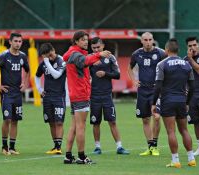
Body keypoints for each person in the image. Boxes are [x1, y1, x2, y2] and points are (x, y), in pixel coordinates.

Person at [63, 30, 111, 164]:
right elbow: (83, 60)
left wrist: (92, 59)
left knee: (74, 125)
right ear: (76, 41)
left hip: (75, 94)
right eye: (83, 39)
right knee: (81, 126)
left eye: (86, 39)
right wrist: (98, 54)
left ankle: (68, 156)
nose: (86, 42)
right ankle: (82, 157)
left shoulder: (73, 53)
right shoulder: (75, 53)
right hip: (80, 94)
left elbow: (83, 62)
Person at [152, 38, 196, 168]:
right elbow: (192, 87)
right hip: (182, 101)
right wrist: (187, 102)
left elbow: (158, 86)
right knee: (184, 130)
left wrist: (154, 103)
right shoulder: (187, 64)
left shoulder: (162, 64)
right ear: (178, 50)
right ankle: (191, 158)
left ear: (166, 50)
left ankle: (175, 160)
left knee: (171, 131)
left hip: (168, 101)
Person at [89, 37, 129, 155]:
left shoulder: (110, 57)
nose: (96, 49)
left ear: (103, 46)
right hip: (94, 95)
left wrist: (105, 73)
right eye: (94, 48)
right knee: (95, 122)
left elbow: (117, 74)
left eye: (98, 47)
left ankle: (119, 147)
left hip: (107, 95)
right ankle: (97, 147)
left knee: (112, 121)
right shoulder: (89, 59)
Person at [128, 32, 165, 156]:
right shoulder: (136, 54)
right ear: (142, 41)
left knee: (157, 117)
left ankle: (155, 145)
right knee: (145, 119)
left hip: (156, 90)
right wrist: (134, 81)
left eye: (150, 39)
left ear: (153, 40)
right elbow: (130, 68)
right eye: (146, 40)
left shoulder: (160, 53)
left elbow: (167, 68)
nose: (148, 42)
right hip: (142, 90)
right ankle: (150, 147)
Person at [0, 33, 30, 155]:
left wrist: (24, 83)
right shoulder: (4, 56)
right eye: (15, 41)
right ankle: (4, 147)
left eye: (20, 41)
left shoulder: (23, 56)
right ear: (10, 42)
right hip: (7, 94)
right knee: (7, 119)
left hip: (17, 94)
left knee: (15, 120)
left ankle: (12, 147)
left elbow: (27, 70)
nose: (18, 43)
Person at [35, 43, 66, 155]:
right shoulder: (43, 63)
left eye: (51, 54)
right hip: (47, 97)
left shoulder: (61, 61)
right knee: (51, 122)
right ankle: (55, 146)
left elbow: (57, 75)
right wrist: (39, 89)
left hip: (59, 97)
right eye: (47, 56)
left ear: (54, 50)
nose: (50, 57)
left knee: (59, 122)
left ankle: (58, 147)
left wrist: (47, 62)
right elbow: (37, 76)